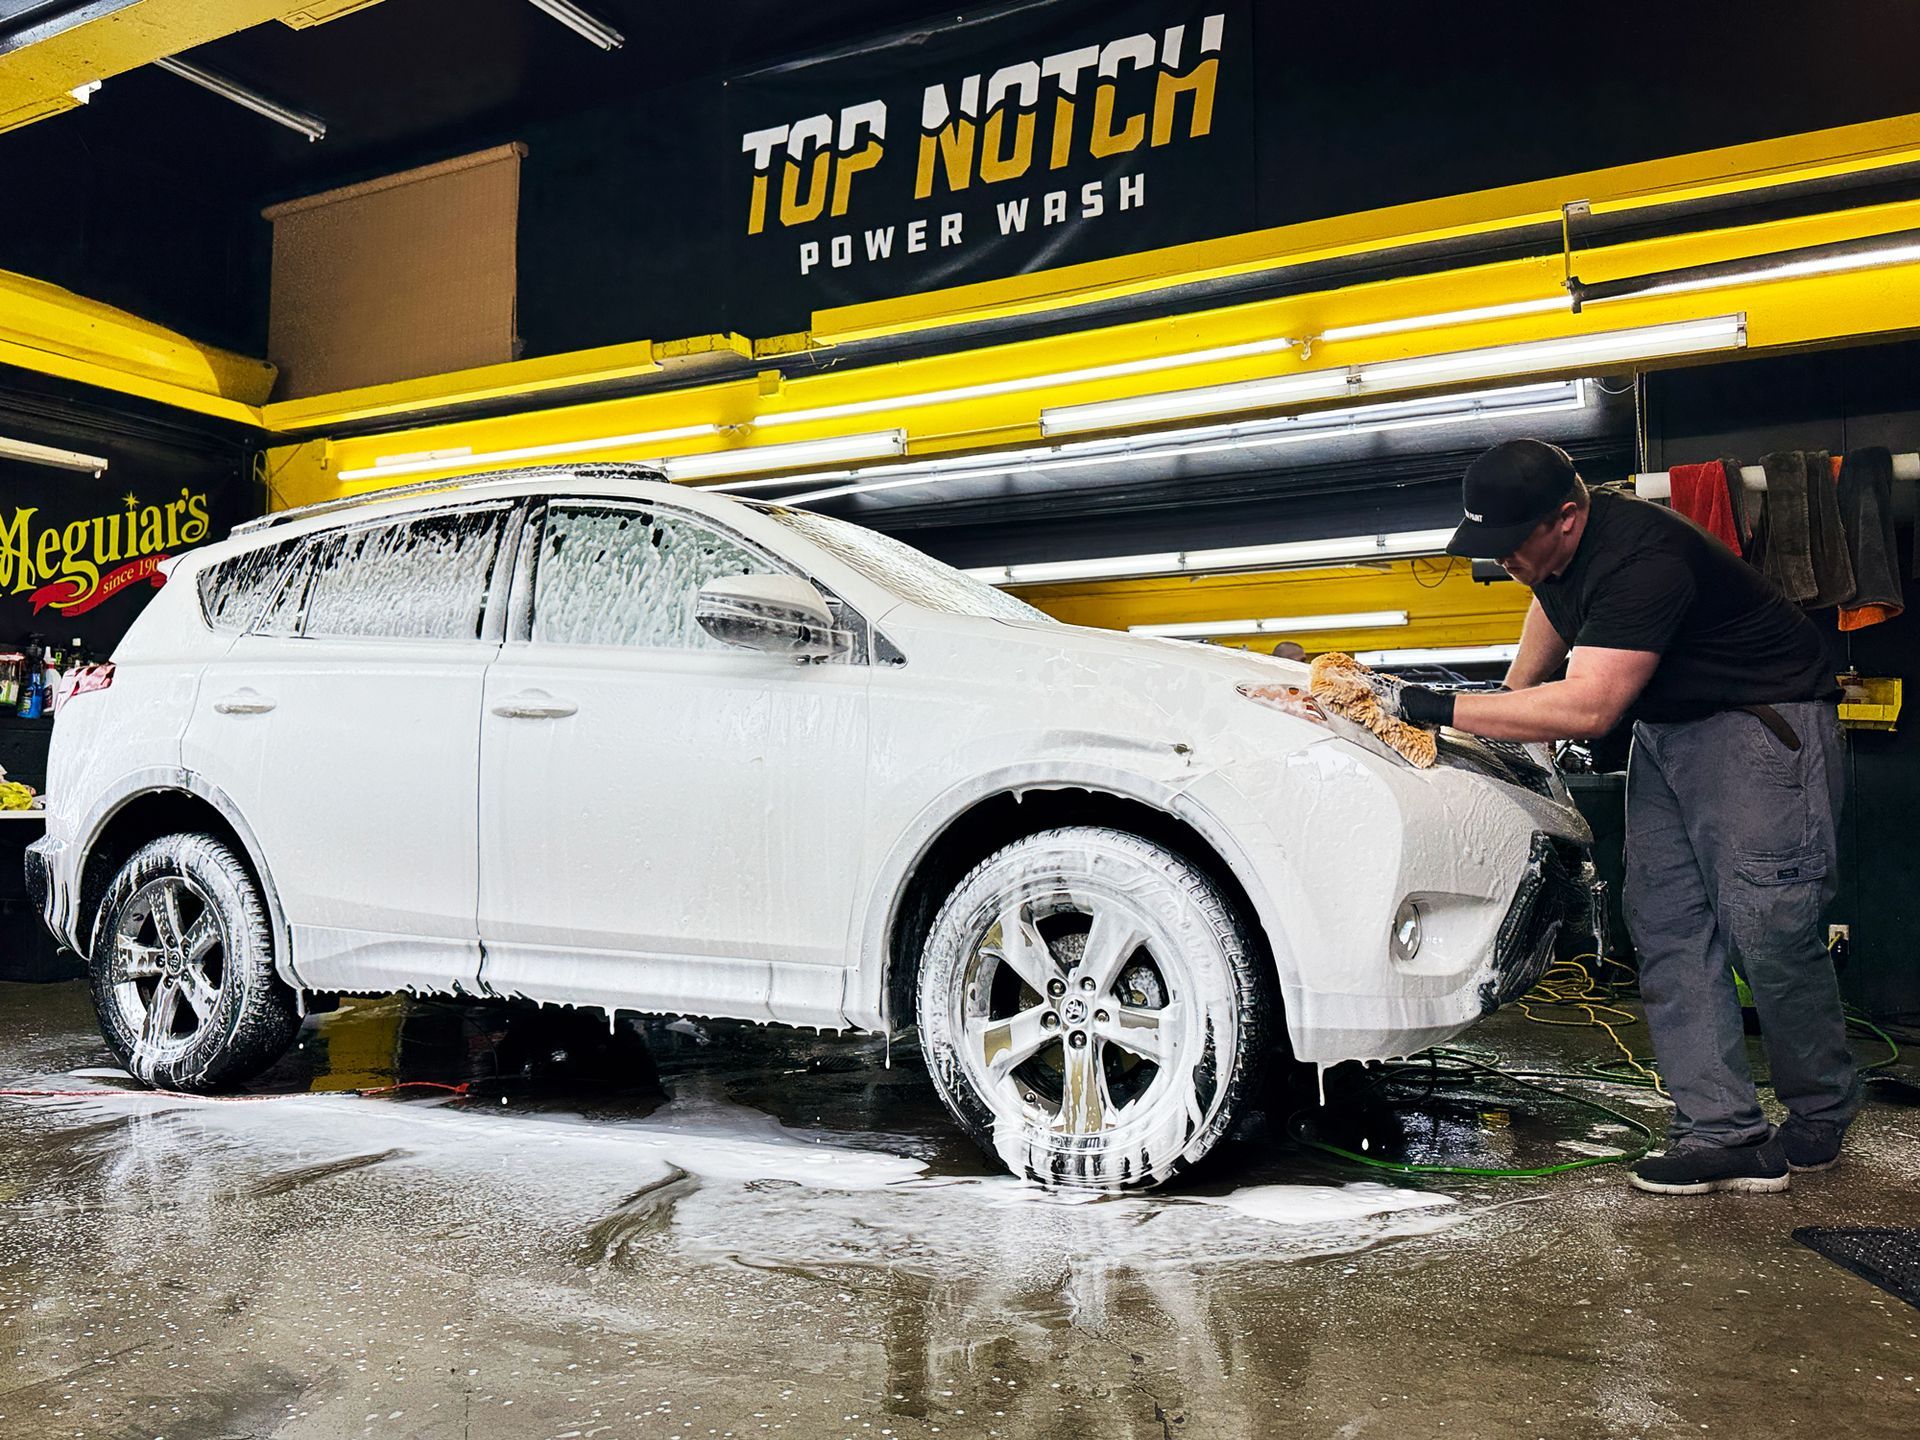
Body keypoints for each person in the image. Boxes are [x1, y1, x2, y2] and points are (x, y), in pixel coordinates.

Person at [1392, 439, 1857, 1195]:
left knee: (1768, 927)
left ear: (1567, 518)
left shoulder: (1646, 556)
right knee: (1667, 925)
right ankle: (1721, 1130)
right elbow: (1554, 607)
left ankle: (1819, 1111)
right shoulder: (1557, 555)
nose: (1504, 562)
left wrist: (1435, 708)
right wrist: (1513, 693)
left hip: (1760, 725)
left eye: (1512, 547)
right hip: (1669, 733)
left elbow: (1592, 704)